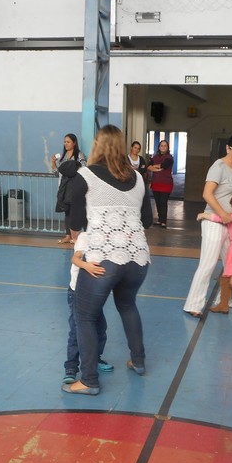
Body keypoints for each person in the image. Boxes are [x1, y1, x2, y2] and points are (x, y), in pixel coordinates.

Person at [62, 125, 153, 396]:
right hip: (138, 257)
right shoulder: (138, 177)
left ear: (97, 146)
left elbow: (76, 221)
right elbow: (147, 220)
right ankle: (138, 361)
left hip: (103, 257)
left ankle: (89, 380)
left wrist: (84, 234)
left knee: (85, 317)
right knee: (127, 304)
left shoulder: (86, 174)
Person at [183, 133, 232, 317]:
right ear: (228, 148)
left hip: (230, 223)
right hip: (214, 221)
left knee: (230, 264)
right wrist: (222, 214)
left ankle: (225, 300)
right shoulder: (218, 167)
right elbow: (207, 194)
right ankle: (193, 305)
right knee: (208, 263)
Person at [63, 231, 114, 385]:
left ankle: (94, 359)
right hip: (77, 293)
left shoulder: (109, 239)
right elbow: (75, 258)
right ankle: (71, 367)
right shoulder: (85, 237)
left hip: (93, 294)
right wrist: (87, 266)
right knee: (76, 330)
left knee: (100, 327)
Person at [53, 133, 86, 244]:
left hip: (75, 187)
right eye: (65, 142)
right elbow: (57, 174)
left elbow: (83, 169)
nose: (66, 144)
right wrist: (53, 163)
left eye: (68, 142)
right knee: (67, 211)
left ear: (74, 143)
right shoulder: (62, 157)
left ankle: (76, 237)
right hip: (63, 188)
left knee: (75, 211)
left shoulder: (79, 156)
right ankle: (68, 236)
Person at [147, 139, 174, 227]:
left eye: (165, 146)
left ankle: (163, 221)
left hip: (166, 184)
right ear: (159, 147)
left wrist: (154, 167)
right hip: (156, 183)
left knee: (163, 202)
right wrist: (157, 169)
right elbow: (148, 166)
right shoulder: (155, 157)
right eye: (161, 145)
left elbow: (164, 166)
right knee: (158, 202)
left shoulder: (169, 158)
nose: (163, 147)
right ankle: (159, 219)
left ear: (168, 147)